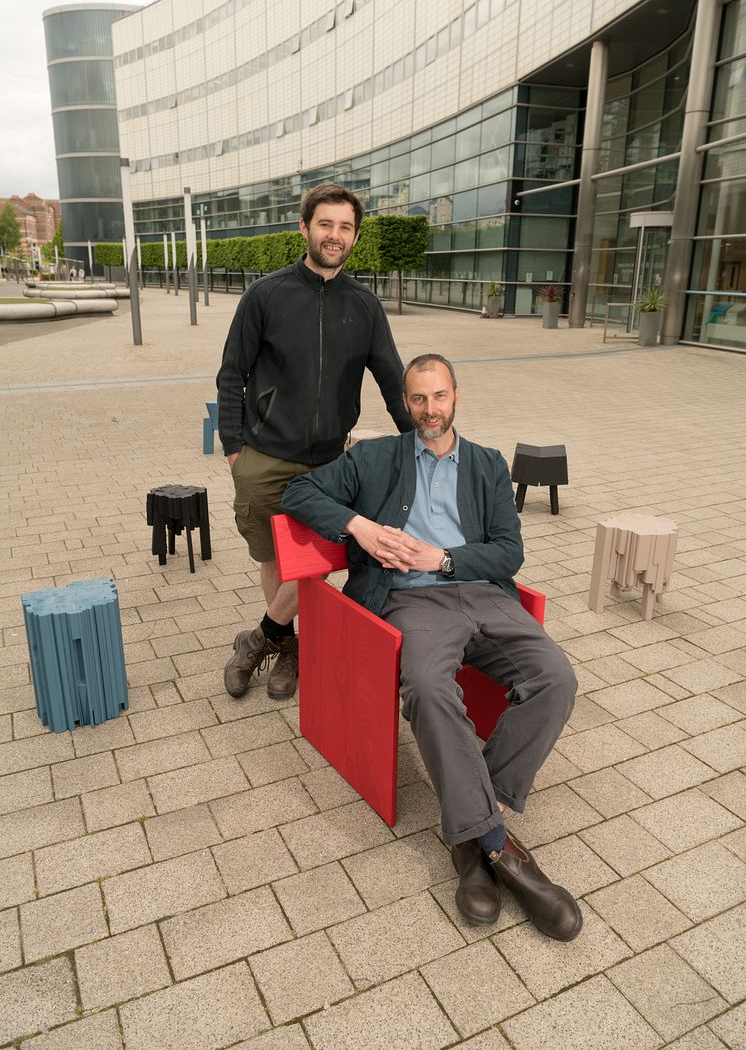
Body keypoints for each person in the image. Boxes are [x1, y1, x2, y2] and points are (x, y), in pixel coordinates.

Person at [281, 353, 582, 939]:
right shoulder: (374, 457)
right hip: (412, 603)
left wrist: (442, 558)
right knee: (423, 686)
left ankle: (471, 830)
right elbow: (298, 493)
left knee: (557, 679)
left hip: (484, 595)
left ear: (455, 396)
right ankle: (499, 846)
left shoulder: (489, 465)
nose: (429, 411)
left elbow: (509, 552)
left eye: (438, 397)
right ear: (406, 402)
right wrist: (359, 527)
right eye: (418, 399)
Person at [217, 182, 412, 703]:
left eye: (345, 227)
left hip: (330, 463)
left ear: (354, 236)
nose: (335, 235)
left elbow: (393, 380)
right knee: (274, 560)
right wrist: (235, 451)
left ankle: (259, 638)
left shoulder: (366, 307)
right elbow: (231, 374)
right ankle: (289, 650)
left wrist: (423, 443)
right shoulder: (266, 295)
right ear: (305, 227)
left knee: (323, 557)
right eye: (325, 224)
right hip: (263, 454)